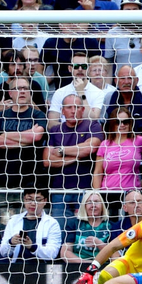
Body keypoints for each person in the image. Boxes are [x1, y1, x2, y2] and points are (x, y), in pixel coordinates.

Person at [44, 94, 104, 229]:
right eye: (69, 107)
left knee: (83, 231)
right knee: (59, 230)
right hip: (59, 191)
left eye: (76, 107)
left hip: (85, 191)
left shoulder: (92, 126)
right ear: (62, 111)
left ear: (82, 110)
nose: (73, 110)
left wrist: (61, 150)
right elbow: (47, 160)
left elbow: (90, 148)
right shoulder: (55, 130)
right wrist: (77, 155)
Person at [0, 76, 47, 192]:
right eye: (18, 88)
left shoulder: (38, 115)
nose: (22, 91)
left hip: (31, 181)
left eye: (25, 88)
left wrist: (5, 135)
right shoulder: (0, 116)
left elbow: (36, 136)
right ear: (10, 93)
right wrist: (25, 139)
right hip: (3, 180)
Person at [0, 188, 61, 263]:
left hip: (42, 269)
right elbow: (3, 252)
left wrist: (32, 247)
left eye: (38, 200)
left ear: (45, 201)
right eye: (29, 199)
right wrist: (11, 243)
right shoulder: (13, 220)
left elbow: (53, 253)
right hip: (16, 267)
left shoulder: (52, 223)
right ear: (24, 200)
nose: (33, 203)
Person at [47, 52, 106, 130]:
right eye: (76, 66)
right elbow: (51, 124)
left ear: (88, 69)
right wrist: (72, 129)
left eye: (84, 66)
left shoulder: (98, 93)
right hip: (65, 135)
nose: (80, 69)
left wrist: (81, 92)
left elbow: (92, 119)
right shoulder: (60, 92)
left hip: (87, 135)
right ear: (70, 69)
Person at [92, 107, 142, 192]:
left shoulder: (139, 141)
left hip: (131, 194)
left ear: (130, 123)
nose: (122, 125)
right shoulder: (104, 144)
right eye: (118, 122)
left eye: (126, 122)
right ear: (112, 124)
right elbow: (98, 172)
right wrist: (97, 194)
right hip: (107, 193)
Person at [102, 65, 142, 134]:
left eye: (130, 78)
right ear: (116, 81)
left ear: (137, 80)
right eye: (122, 78)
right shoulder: (109, 97)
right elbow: (102, 123)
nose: (126, 82)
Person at [61, 191, 116, 263]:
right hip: (78, 266)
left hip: (102, 266)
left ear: (102, 206)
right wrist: (87, 264)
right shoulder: (74, 224)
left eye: (96, 202)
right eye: (89, 202)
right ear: (84, 206)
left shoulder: (111, 226)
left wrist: (100, 244)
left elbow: (115, 256)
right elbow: (65, 253)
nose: (93, 205)